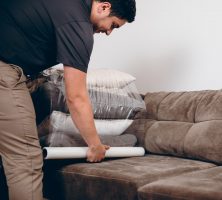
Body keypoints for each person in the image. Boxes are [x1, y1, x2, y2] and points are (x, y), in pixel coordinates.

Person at [0, 0, 136, 199]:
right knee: (26, 159)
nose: (109, 32)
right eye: (113, 25)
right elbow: (77, 97)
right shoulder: (78, 25)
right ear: (104, 7)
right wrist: (95, 145)